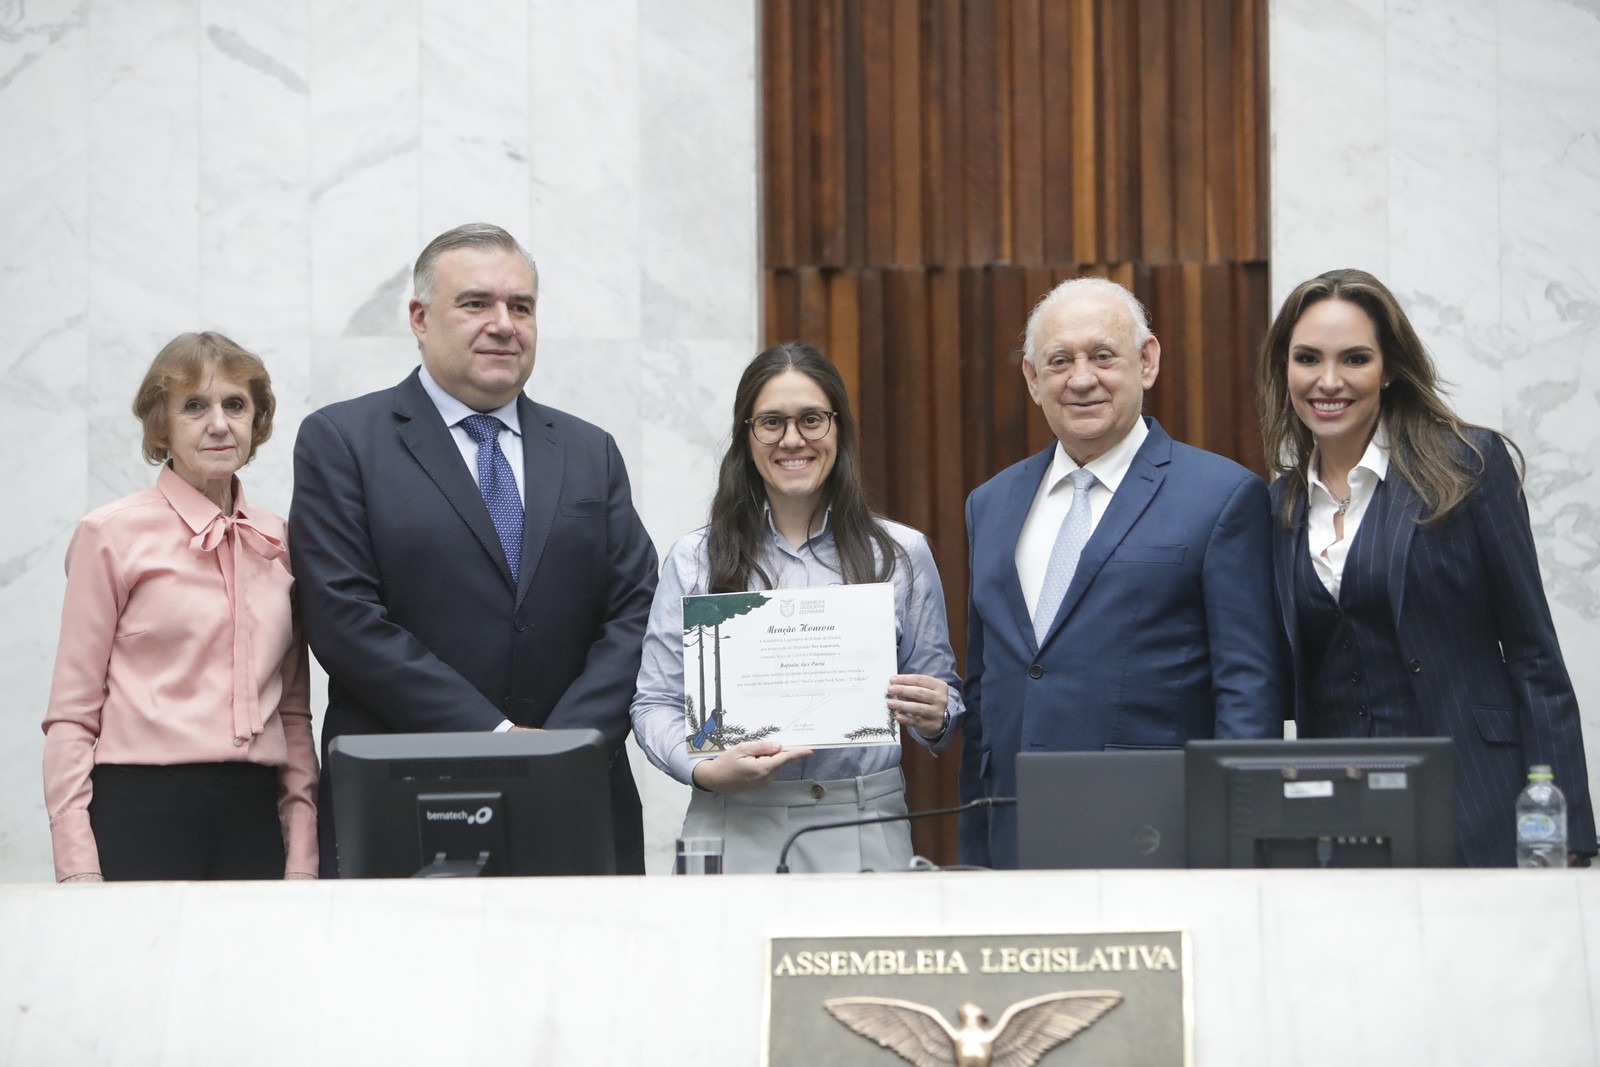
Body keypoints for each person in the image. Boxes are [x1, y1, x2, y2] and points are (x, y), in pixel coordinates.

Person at [290, 223, 658, 876]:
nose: (503, 323)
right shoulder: (342, 441)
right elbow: (342, 615)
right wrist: (495, 739)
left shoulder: (588, 450)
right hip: (403, 798)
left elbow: (636, 610)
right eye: (475, 303)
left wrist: (564, 747)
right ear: (420, 317)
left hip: (579, 800)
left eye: (521, 306)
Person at [1258, 267, 1596, 866]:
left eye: (1354, 359)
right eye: (1307, 358)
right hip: (1342, 821)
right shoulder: (1277, 506)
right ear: (1285, 369)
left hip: (1477, 795)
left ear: (1388, 369)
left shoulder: (1466, 465)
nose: (1328, 381)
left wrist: (1563, 834)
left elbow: (1533, 652)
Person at [959, 277, 1286, 869]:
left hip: (1155, 836)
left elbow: (1248, 693)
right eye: (1059, 361)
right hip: (1013, 831)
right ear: (1033, 380)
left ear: (1148, 361)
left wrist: (1235, 843)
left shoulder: (1222, 497)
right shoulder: (991, 504)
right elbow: (987, 689)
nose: (1081, 379)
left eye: (1102, 356)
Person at [631, 342, 963, 873]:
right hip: (730, 818)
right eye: (771, 422)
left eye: (811, 419)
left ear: (838, 430)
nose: (793, 440)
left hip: (861, 820)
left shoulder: (900, 554)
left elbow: (942, 696)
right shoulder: (695, 559)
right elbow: (654, 705)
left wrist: (936, 713)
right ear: (747, 435)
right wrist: (704, 771)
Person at [41, 332, 317, 882]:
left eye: (235, 404)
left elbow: (293, 714)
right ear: (161, 425)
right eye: (194, 406)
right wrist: (78, 868)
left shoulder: (281, 541)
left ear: (256, 421)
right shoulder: (110, 535)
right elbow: (71, 714)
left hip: (253, 814)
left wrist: (302, 861)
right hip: (140, 808)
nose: (219, 423)